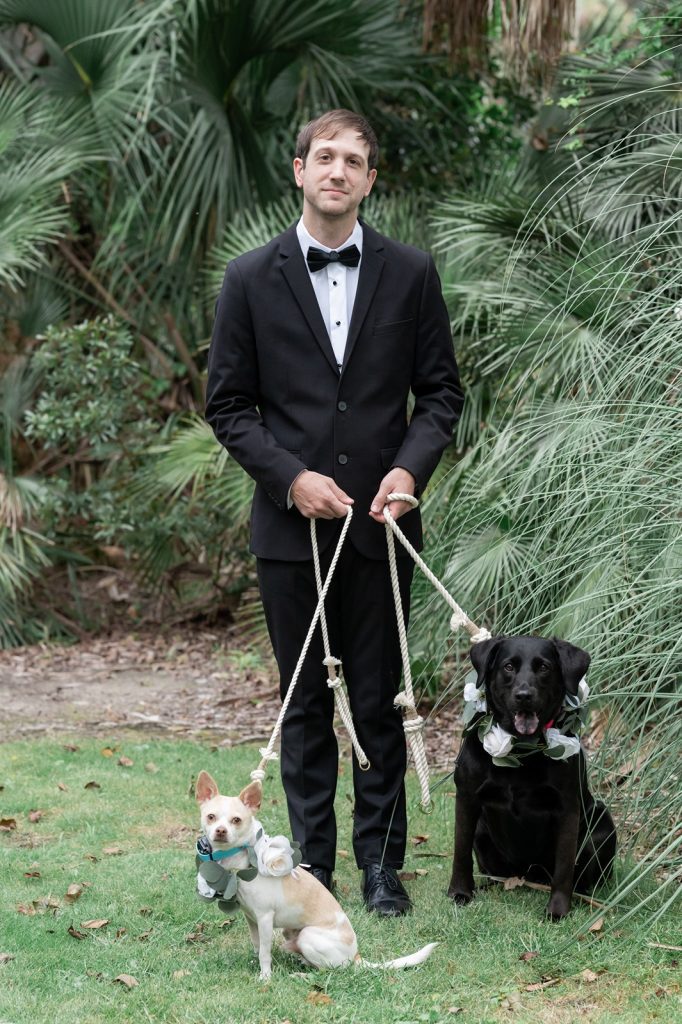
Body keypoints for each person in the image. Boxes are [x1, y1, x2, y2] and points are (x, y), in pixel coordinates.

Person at [206, 109, 463, 916]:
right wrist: (291, 479)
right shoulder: (250, 278)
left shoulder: (412, 272)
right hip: (292, 535)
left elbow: (441, 396)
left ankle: (383, 869)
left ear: (371, 180)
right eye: (326, 156)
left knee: (385, 699)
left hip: (383, 532)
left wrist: (408, 470)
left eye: (355, 160)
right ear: (299, 169)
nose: (339, 171)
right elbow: (229, 405)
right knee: (307, 703)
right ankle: (311, 865)